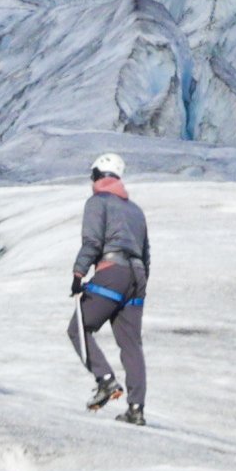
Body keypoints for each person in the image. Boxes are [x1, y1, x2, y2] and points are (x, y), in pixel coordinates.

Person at [67, 152, 151, 425]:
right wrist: (139, 285)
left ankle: (105, 380)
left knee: (78, 328)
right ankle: (136, 409)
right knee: (131, 345)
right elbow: (146, 252)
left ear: (98, 176)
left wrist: (79, 273)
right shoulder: (136, 210)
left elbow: (92, 241)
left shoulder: (97, 202)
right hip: (137, 278)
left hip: (112, 271)